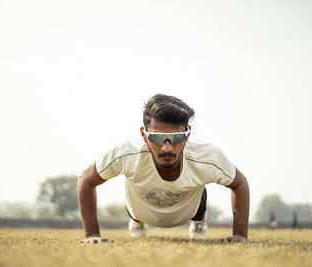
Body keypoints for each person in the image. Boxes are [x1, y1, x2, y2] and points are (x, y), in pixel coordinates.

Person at [77, 94, 250, 244]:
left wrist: (240, 235)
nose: (167, 148)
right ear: (144, 135)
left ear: (187, 134)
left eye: (176, 137)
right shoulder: (127, 153)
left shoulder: (207, 156)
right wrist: (92, 234)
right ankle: (137, 221)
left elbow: (239, 183)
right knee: (135, 185)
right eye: (158, 138)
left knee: (198, 178)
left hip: (189, 211)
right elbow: (86, 180)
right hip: (140, 210)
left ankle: (200, 220)